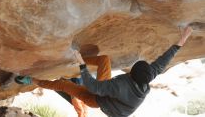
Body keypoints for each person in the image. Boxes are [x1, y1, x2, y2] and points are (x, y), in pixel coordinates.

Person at [15, 26, 193, 117]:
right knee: (104, 60)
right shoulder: (146, 76)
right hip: (111, 96)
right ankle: (77, 58)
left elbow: (93, 87)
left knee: (64, 85)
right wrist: (183, 38)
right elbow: (162, 62)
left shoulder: (120, 85)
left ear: (132, 74)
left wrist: (82, 66)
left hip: (97, 100)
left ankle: (31, 80)